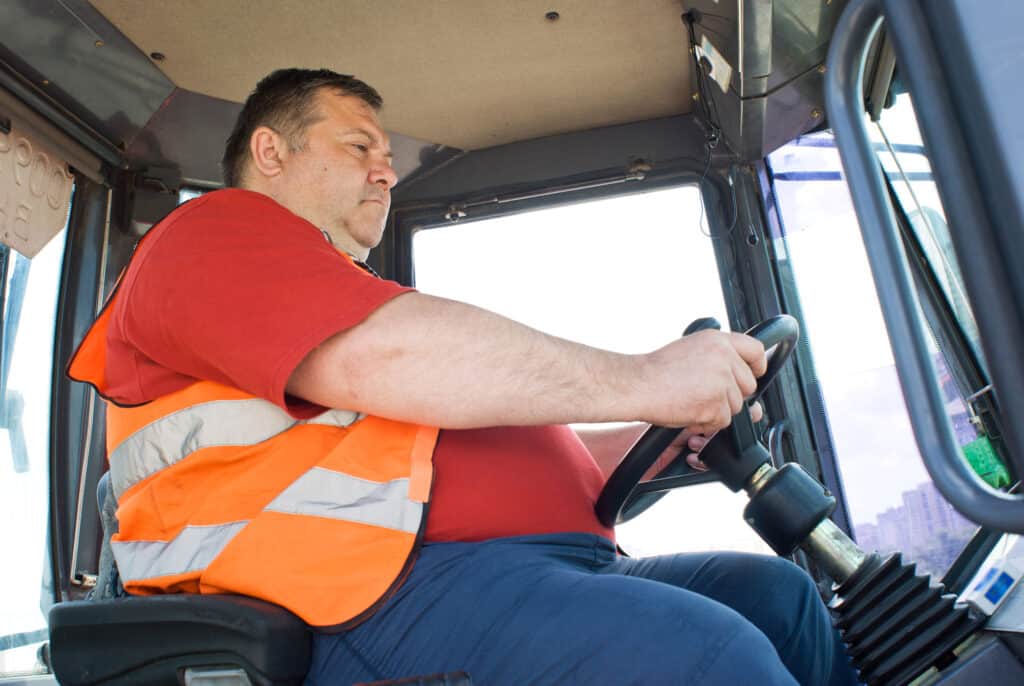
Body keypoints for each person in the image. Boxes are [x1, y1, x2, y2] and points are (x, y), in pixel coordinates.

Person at [69, 68, 859, 685]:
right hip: (355, 602)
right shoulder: (215, 235)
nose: (386, 173)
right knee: (705, 662)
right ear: (272, 151)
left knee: (779, 601)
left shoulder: (332, 298)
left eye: (389, 160)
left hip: (528, 562)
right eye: (357, 148)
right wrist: (647, 378)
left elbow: (416, 442)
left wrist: (648, 438)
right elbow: (389, 354)